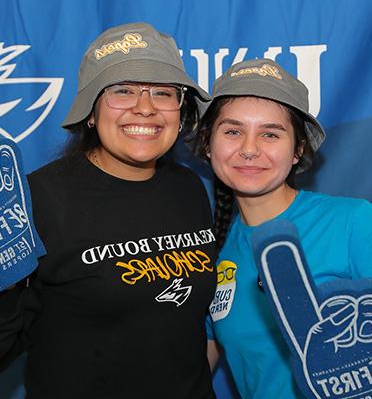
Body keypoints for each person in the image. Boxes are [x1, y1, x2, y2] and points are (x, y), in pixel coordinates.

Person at [0, 22, 218, 399]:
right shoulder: (38, 199)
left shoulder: (190, 187)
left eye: (163, 93)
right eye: (123, 90)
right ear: (90, 110)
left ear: (180, 110)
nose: (146, 108)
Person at [193, 59, 372, 398]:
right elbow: (193, 369)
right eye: (232, 131)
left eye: (270, 134)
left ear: (297, 150)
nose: (249, 149)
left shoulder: (354, 223)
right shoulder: (215, 253)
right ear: (207, 144)